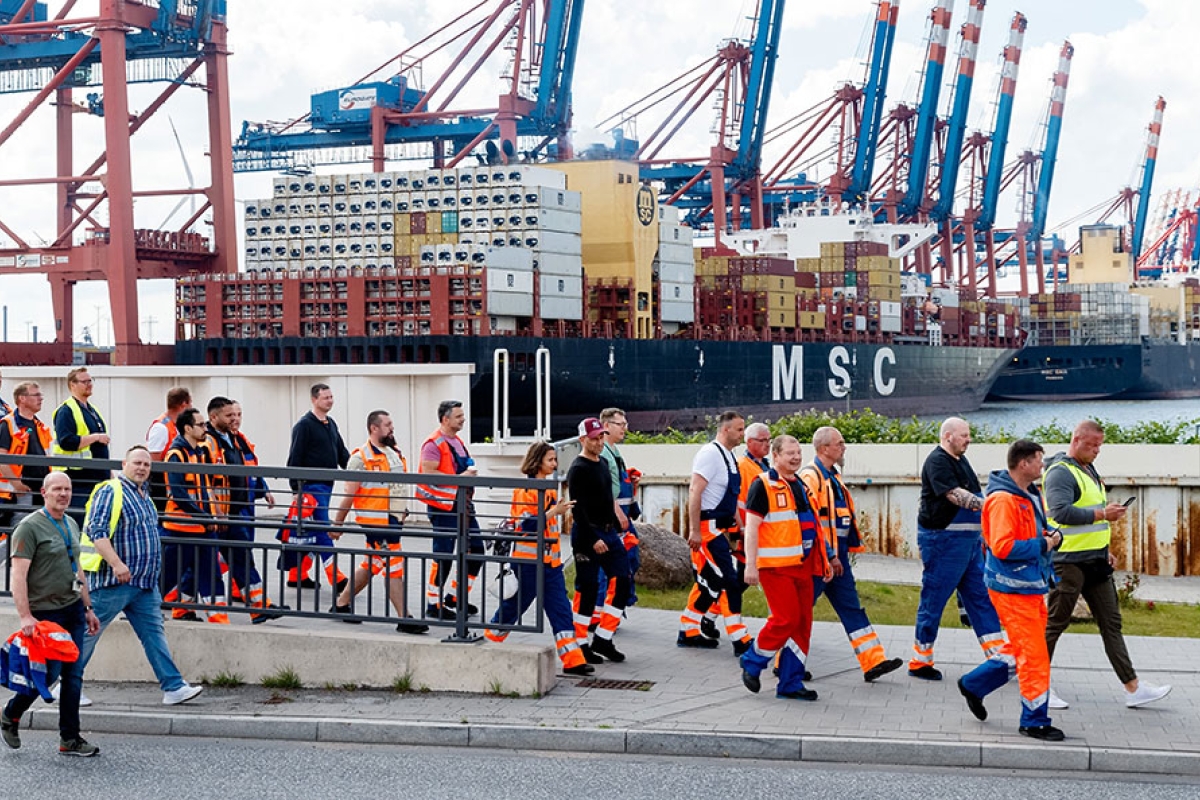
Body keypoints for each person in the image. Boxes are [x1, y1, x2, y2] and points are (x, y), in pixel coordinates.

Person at [1042, 420, 1171, 709]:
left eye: (1100, 445)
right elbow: (1061, 512)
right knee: (1054, 625)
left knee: (1111, 623)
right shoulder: (1061, 473)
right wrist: (1102, 513)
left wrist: (1105, 548)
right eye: (1093, 445)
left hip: (1096, 561)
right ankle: (1037, 686)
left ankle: (1133, 688)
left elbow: (1091, 518)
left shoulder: (1089, 469)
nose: (1098, 450)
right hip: (1068, 562)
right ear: (1076, 439)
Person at [76, 445, 204, 706]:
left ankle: (174, 687)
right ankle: (64, 685)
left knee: (154, 635)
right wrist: (116, 563)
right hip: (115, 582)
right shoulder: (111, 491)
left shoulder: (143, 494)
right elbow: (96, 531)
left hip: (144, 583)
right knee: (88, 634)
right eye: (137, 463)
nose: (142, 468)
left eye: (146, 464)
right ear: (124, 463)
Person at [958, 440, 1066, 741]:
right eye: (1038, 461)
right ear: (1023, 464)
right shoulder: (1005, 500)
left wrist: (1047, 535)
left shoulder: (1028, 494)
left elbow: (1026, 533)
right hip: (1012, 588)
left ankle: (974, 684)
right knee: (1034, 656)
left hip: (1028, 585)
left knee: (1022, 649)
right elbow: (1003, 547)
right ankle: (1034, 720)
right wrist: (1044, 544)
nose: (1042, 466)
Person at [1, 471, 101, 756]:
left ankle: (69, 739)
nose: (63, 494)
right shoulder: (29, 527)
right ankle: (11, 713)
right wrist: (25, 617)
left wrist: (88, 607)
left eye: (67, 489)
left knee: (74, 675)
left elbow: (76, 568)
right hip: (45, 614)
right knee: (50, 673)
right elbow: (18, 576)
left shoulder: (70, 522)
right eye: (57, 489)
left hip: (72, 610)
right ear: (44, 493)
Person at [800, 426, 903, 682]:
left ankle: (873, 661)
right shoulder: (811, 477)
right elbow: (812, 522)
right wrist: (829, 555)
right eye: (840, 443)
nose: (844, 447)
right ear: (824, 448)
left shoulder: (832, 477)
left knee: (852, 608)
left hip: (838, 558)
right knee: (801, 612)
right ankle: (786, 663)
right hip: (820, 560)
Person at [485, 441, 593, 675]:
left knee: (561, 609)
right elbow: (525, 525)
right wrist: (554, 512)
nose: (555, 464)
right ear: (537, 462)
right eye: (550, 460)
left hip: (550, 564)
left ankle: (573, 660)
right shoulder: (527, 490)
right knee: (514, 607)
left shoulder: (547, 488)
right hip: (528, 563)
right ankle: (489, 642)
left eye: (555, 459)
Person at [909, 417, 1005, 680]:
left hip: (969, 544)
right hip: (944, 543)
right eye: (963, 435)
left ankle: (998, 657)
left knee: (981, 598)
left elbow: (973, 493)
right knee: (935, 598)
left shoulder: (961, 460)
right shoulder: (938, 461)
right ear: (948, 436)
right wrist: (992, 508)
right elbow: (955, 495)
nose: (968, 439)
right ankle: (921, 660)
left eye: (969, 434)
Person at [738, 435, 829, 701]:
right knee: (785, 619)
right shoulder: (763, 485)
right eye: (789, 453)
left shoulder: (800, 484)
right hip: (775, 568)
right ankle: (753, 660)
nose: (796, 457)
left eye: (798, 452)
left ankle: (790, 683)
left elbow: (813, 526)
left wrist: (824, 561)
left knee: (802, 625)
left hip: (804, 566)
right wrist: (750, 566)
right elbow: (752, 528)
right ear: (775, 456)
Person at [330, 410, 428, 635]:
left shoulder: (393, 453)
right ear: (374, 428)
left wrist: (403, 512)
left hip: (392, 520)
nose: (391, 428)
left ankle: (342, 604)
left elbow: (397, 487)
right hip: (377, 523)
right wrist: (337, 524)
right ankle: (405, 618)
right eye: (387, 425)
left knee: (372, 563)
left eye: (391, 424)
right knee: (394, 566)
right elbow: (349, 495)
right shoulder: (359, 458)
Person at [202, 396, 285, 624]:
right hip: (218, 515)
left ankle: (259, 608)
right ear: (214, 417)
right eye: (229, 415)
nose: (234, 419)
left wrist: (263, 489)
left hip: (236, 511)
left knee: (243, 560)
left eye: (237, 415)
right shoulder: (207, 442)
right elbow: (205, 481)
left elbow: (250, 468)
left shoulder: (235, 439)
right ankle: (185, 609)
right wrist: (215, 511)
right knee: (204, 564)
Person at [677, 411, 749, 653]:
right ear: (725, 429)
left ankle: (688, 629)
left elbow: (731, 498)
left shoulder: (729, 456)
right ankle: (740, 638)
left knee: (711, 582)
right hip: (708, 530)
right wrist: (695, 531)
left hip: (722, 527)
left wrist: (740, 529)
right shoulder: (710, 454)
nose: (743, 434)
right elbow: (695, 492)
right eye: (739, 429)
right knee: (729, 581)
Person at [567, 417, 631, 664]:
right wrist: (592, 538)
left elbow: (606, 499)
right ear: (583, 439)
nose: (598, 442)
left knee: (622, 580)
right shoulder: (578, 468)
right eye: (593, 438)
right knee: (588, 588)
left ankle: (603, 638)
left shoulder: (603, 462)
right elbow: (577, 508)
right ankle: (580, 642)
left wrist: (615, 526)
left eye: (601, 437)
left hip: (608, 532)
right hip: (587, 534)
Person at [160, 408, 228, 624]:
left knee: (211, 573)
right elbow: (179, 495)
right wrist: (204, 518)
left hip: (201, 527)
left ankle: (218, 618)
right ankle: (144, 609)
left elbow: (205, 488)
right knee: (167, 575)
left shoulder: (198, 452)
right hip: (180, 529)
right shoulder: (176, 455)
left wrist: (213, 515)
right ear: (187, 428)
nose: (205, 428)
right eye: (201, 425)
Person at [417, 399, 484, 618]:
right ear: (446, 419)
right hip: (443, 507)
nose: (463, 419)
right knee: (443, 555)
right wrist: (460, 478)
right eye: (458, 416)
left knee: (477, 550)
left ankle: (455, 597)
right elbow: (428, 473)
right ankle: (433, 604)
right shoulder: (433, 444)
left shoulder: (457, 442)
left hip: (463, 505)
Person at [285, 383, 350, 592]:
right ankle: (336, 578)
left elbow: (341, 452)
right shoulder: (304, 425)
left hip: (326, 485)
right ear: (314, 399)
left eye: (331, 397)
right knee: (322, 529)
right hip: (311, 486)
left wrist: (356, 470)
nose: (330, 401)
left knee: (310, 531)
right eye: (325, 398)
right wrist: (296, 490)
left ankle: (298, 575)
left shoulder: (330, 423)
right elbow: (294, 457)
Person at [51, 368, 111, 525]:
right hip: (78, 480)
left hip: (96, 478)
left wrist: (108, 471)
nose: (89, 385)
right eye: (84, 382)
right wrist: (95, 437)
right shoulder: (66, 410)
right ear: (73, 385)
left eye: (90, 381)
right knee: (79, 523)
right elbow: (66, 441)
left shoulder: (91, 410)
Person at [0, 381, 52, 532]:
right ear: (22, 398)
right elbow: (2, 458)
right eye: (36, 395)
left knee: (36, 531)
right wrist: (17, 485)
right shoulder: (8, 424)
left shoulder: (38, 426)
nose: (40, 398)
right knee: (20, 531)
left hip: (39, 489)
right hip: (20, 492)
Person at [145, 387, 192, 513]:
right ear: (184, 404)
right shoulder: (161, 428)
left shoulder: (176, 425)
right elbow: (154, 462)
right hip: (161, 487)